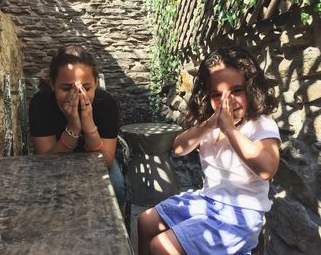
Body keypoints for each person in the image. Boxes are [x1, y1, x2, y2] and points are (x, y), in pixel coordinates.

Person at [138, 46, 280, 255]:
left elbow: (267, 169)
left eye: (237, 90)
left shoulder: (260, 125)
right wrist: (210, 124)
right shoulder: (211, 126)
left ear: (252, 88)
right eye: (217, 95)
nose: (227, 101)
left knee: (162, 246)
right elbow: (178, 148)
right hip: (207, 201)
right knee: (146, 221)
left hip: (240, 216)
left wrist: (230, 130)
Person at [29, 46, 126, 211]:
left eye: (86, 88)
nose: (77, 96)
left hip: (98, 156)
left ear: (96, 83)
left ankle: (117, 233)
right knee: (44, 193)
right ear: (52, 84)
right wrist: (73, 127)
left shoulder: (107, 104)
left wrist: (88, 126)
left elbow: (106, 163)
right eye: (66, 89)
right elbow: (46, 162)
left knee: (116, 188)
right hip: (55, 157)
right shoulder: (41, 104)